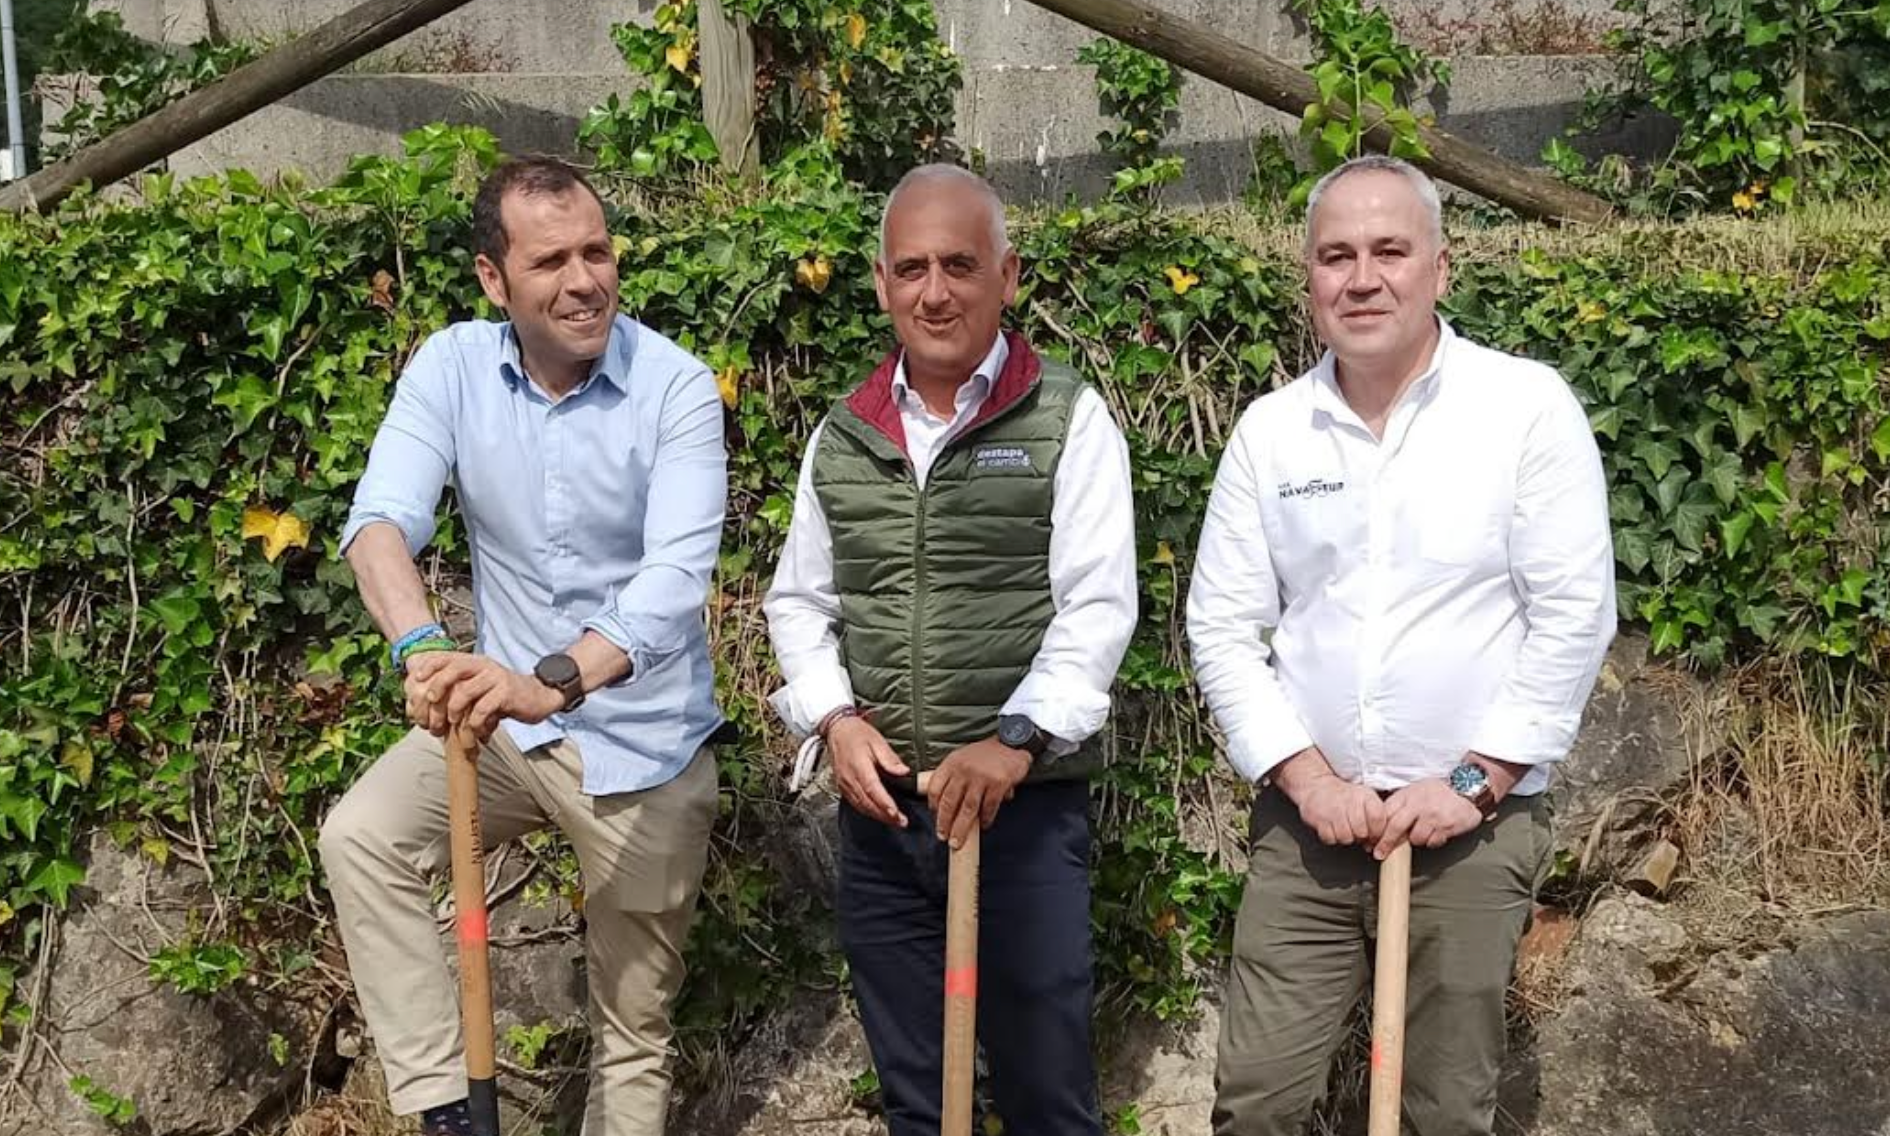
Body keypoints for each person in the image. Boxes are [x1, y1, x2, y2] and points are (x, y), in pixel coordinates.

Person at [1185, 155, 1617, 1135]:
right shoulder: (1271, 434)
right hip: (1311, 827)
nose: (1363, 278)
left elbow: (1573, 612)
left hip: (1472, 827)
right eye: (1336, 255)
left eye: (1390, 250)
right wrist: (1307, 781)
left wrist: (1473, 781)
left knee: (1445, 1109)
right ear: (1309, 276)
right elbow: (1222, 624)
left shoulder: (1524, 409)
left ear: (1441, 268)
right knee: (1258, 1100)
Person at [318, 156, 727, 1136]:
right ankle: (448, 1111)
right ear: (494, 279)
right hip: (506, 734)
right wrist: (423, 649)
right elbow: (378, 525)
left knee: (632, 1033)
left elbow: (673, 580)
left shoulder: (674, 387)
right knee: (361, 836)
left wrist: (552, 681)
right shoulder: (452, 365)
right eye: (551, 261)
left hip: (642, 750)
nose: (584, 281)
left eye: (597, 252)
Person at [762, 163, 1137, 1135]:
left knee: (1048, 1099)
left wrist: (1014, 740)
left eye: (960, 265)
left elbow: (1098, 607)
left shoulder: (1066, 418)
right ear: (882, 283)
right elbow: (799, 601)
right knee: (919, 1103)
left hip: (1023, 818)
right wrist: (834, 718)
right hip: (885, 819)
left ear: (1007, 276)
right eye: (912, 268)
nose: (935, 292)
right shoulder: (845, 434)